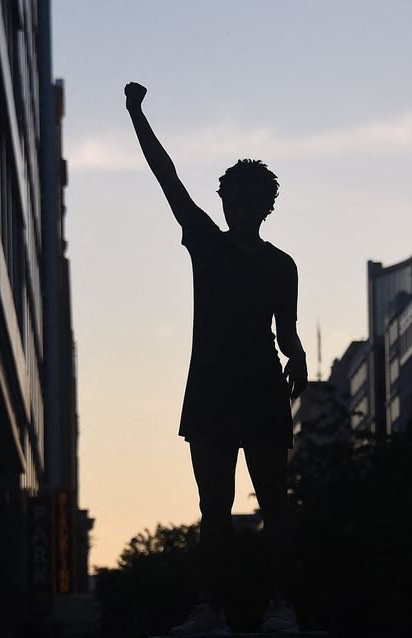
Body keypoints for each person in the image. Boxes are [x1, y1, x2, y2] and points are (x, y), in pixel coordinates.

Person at [126, 82, 308, 635]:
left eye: (253, 200)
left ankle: (279, 604)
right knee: (215, 507)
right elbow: (167, 177)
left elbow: (288, 332)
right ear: (226, 200)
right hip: (211, 389)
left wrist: (297, 361)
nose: (242, 207)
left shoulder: (282, 266)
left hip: (257, 389)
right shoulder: (206, 240)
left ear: (266, 207)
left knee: (274, 502)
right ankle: (213, 607)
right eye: (235, 198)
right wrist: (138, 115)